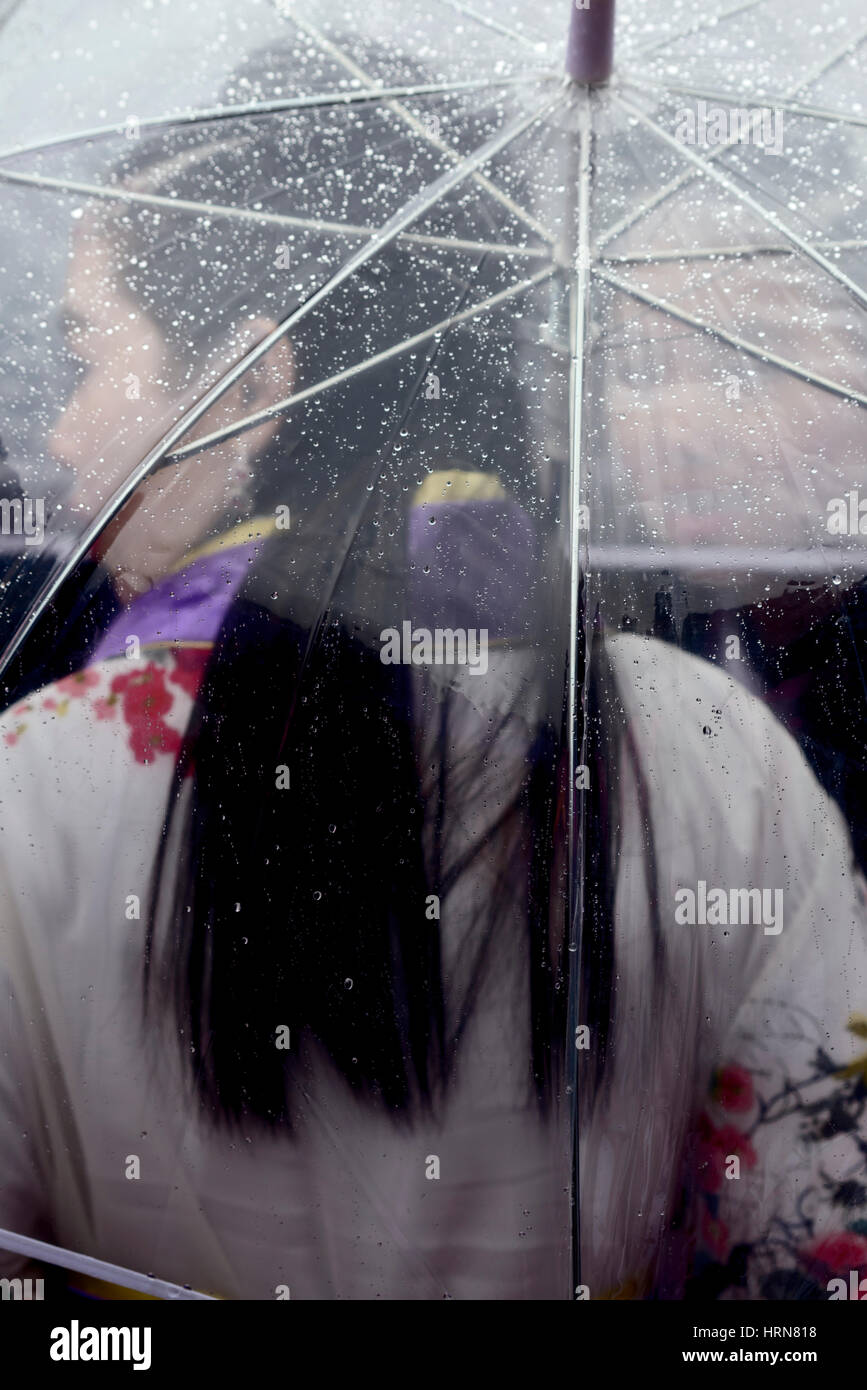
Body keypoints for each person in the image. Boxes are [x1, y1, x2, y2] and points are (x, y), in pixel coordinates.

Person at [0, 42, 866, 1301]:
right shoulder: (705, 755)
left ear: (248, 383)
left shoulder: (40, 787)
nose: (67, 433)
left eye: (87, 354)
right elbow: (816, 1244)